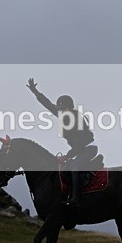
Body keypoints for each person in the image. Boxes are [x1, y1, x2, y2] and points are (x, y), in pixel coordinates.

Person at [27, 77, 98, 206]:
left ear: (70, 108)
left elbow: (80, 143)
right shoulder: (63, 116)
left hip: (88, 148)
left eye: (63, 108)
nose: (60, 111)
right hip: (79, 150)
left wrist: (68, 155)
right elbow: (48, 104)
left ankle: (75, 198)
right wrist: (35, 91)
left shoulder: (76, 118)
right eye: (60, 109)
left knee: (74, 167)